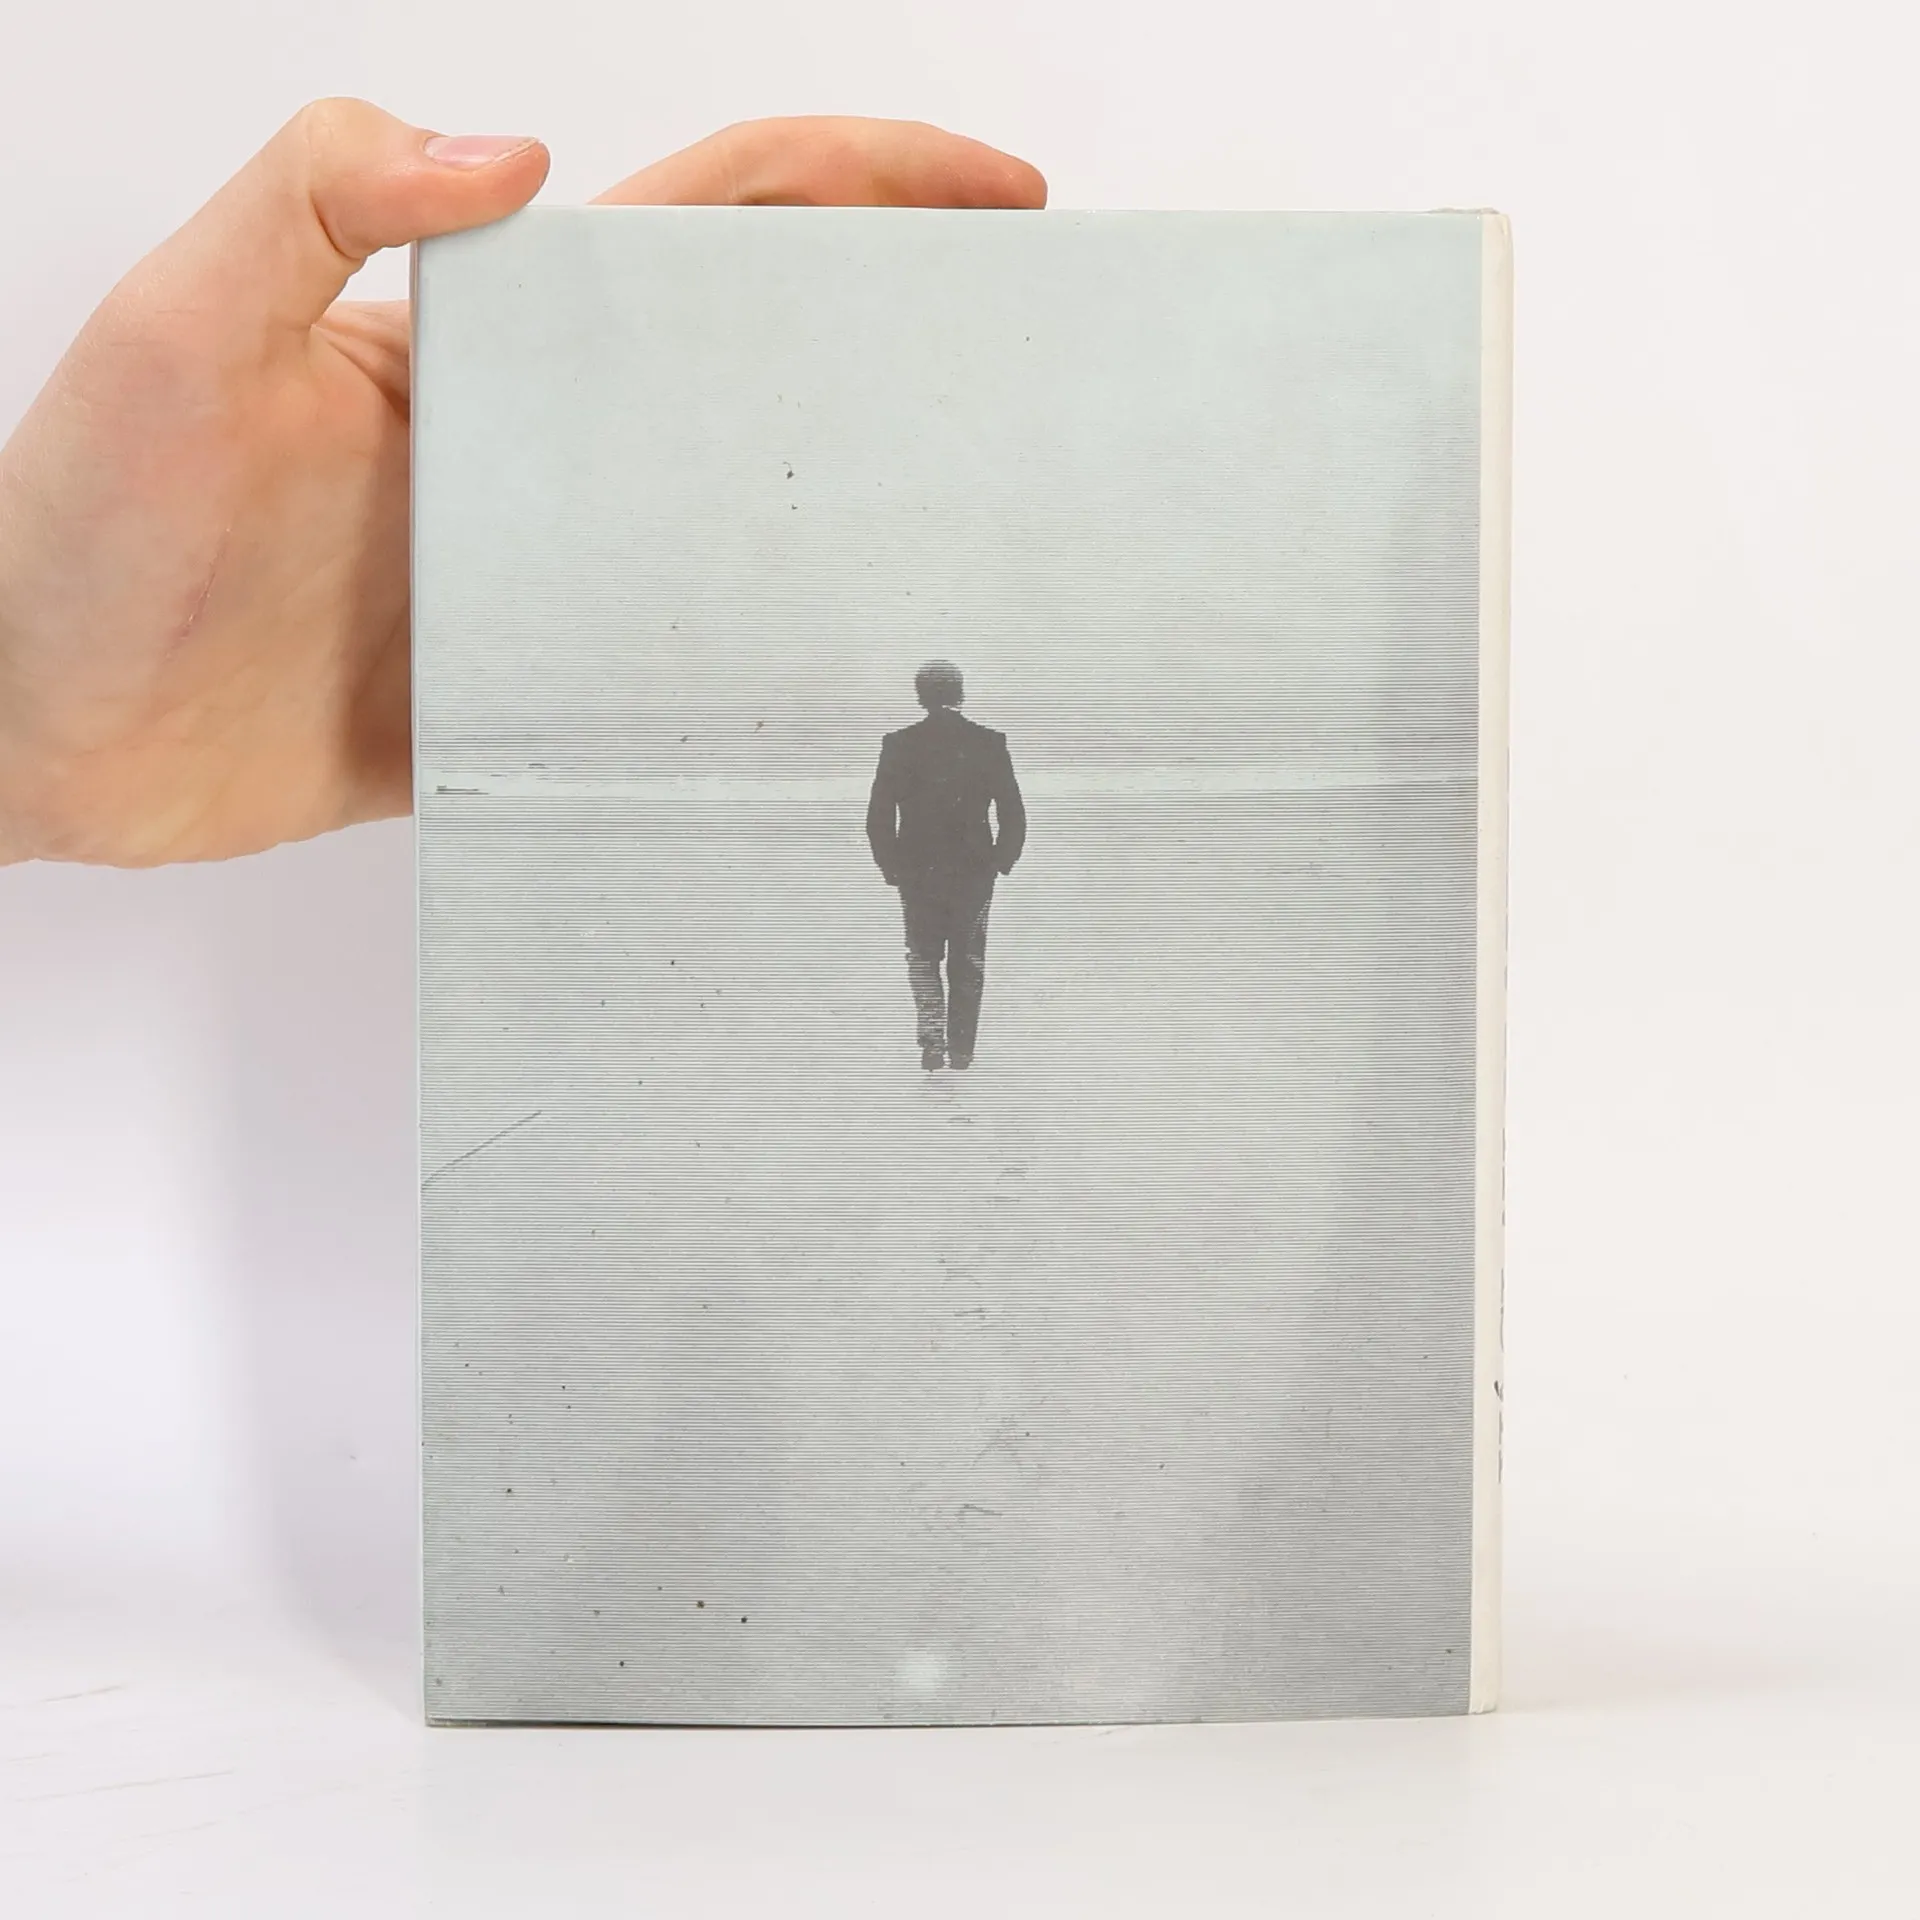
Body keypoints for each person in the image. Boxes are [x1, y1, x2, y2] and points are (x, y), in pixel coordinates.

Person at [0, 107, 1045, 868]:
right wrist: (30, 722)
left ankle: (936, 1038)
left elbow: (920, 818)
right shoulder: (956, 739)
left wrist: (35, 732)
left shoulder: (923, 739)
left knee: (934, 961)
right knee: (948, 963)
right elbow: (943, 816)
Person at [865, 660, 1026, 1073]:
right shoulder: (988, 742)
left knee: (923, 956)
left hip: (917, 871)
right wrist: (1000, 861)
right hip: (974, 869)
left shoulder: (899, 744)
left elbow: (878, 817)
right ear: (961, 693)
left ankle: (933, 1041)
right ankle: (962, 1050)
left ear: (920, 696)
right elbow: (1013, 813)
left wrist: (891, 867)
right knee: (968, 959)